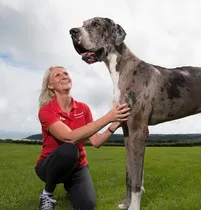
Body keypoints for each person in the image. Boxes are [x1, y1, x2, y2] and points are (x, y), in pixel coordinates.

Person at [35, 66, 130, 210]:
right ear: (50, 85)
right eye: (57, 76)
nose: (64, 76)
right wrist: (109, 117)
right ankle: (47, 193)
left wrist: (113, 125)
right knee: (69, 149)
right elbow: (69, 138)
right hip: (48, 166)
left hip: (78, 167)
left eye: (66, 73)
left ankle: (70, 186)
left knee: (87, 205)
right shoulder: (46, 111)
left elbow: (96, 141)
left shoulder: (83, 109)